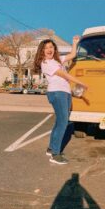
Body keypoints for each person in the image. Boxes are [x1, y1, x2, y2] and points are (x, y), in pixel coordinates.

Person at [33, 36, 87, 165]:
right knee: (63, 122)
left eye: (51, 47)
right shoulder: (46, 63)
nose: (49, 49)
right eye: (46, 48)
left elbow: (72, 55)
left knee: (60, 121)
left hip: (65, 92)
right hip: (57, 93)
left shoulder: (57, 60)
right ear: (42, 51)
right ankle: (55, 154)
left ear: (54, 49)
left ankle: (51, 148)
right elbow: (65, 75)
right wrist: (81, 83)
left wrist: (74, 42)